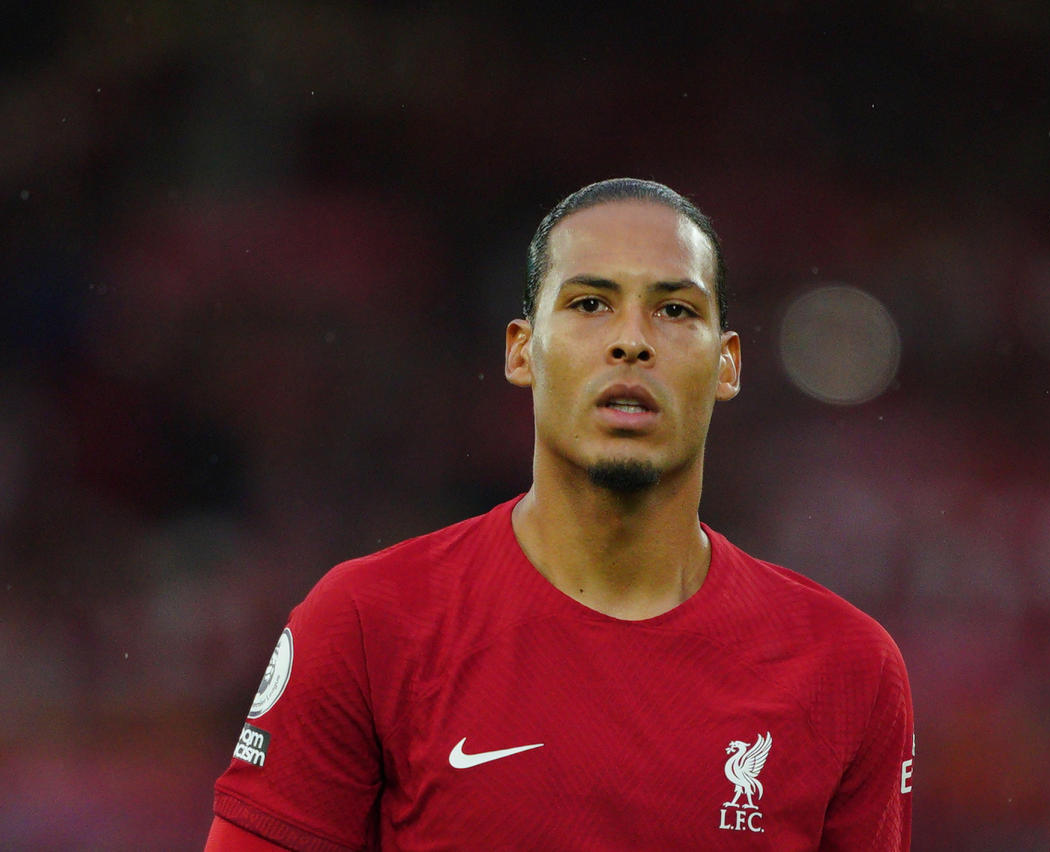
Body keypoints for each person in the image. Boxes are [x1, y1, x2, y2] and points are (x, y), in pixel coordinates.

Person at [206, 178, 914, 850]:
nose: (631, 341)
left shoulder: (847, 670)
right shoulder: (368, 624)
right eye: (589, 304)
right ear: (522, 351)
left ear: (727, 365)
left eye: (674, 309)